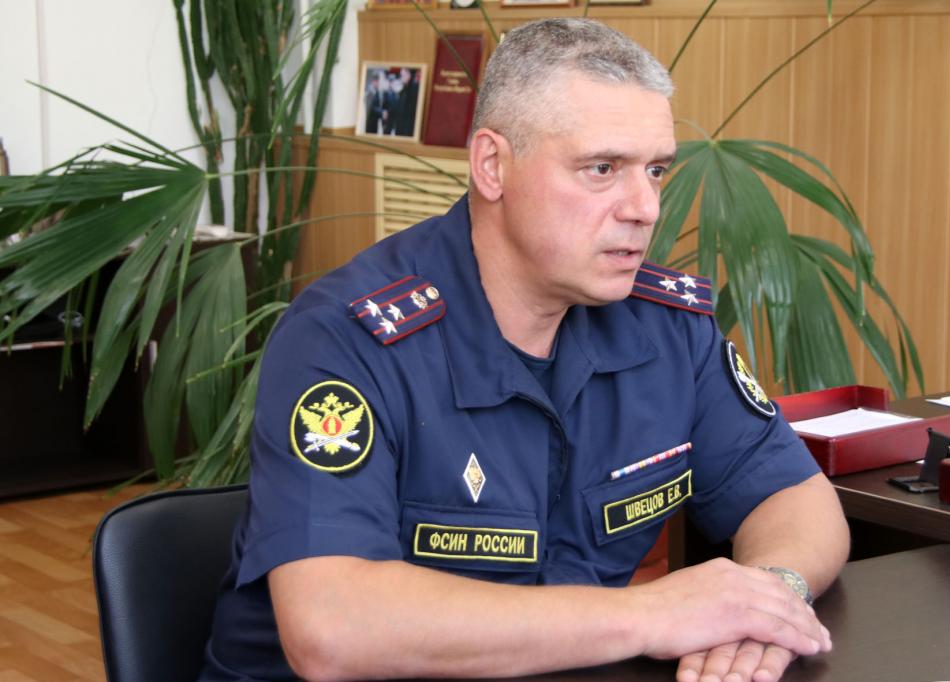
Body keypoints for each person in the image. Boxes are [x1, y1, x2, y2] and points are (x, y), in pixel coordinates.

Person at [201, 17, 849, 682]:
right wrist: (652, 614)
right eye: (602, 169)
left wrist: (767, 602)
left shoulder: (665, 326)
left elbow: (794, 497)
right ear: (492, 165)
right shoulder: (346, 338)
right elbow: (331, 628)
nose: (645, 207)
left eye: (655, 169)